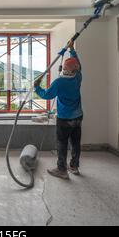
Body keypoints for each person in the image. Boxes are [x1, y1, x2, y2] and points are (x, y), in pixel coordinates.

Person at [34, 40, 83, 179]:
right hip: (78, 116)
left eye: (64, 67)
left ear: (66, 70)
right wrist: (72, 49)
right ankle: (74, 166)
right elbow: (78, 64)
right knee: (75, 143)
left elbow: (46, 95)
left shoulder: (59, 82)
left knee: (62, 143)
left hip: (65, 118)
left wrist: (37, 87)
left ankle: (62, 169)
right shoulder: (78, 77)